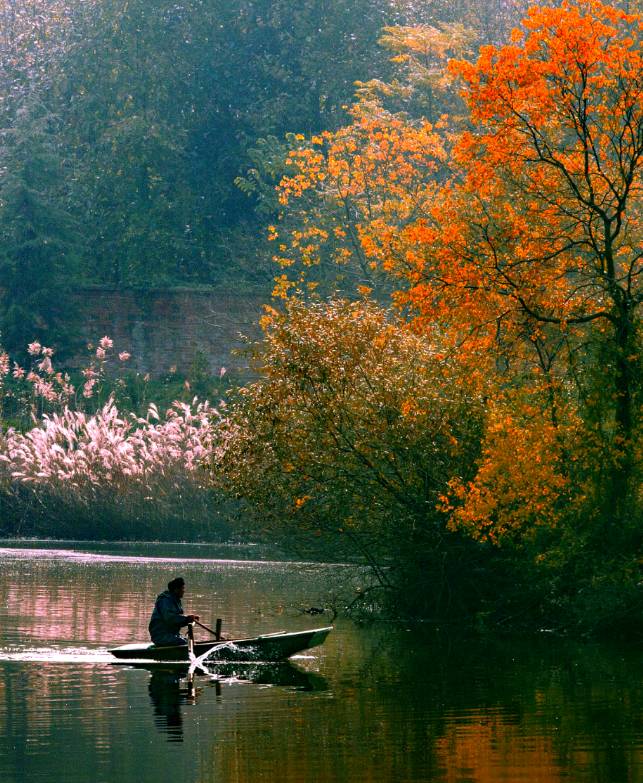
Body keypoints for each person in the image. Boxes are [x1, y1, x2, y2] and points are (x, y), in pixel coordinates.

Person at [149, 577, 200, 646]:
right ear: (176, 589)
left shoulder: (175, 600)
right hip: (161, 636)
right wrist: (187, 619)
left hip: (171, 634)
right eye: (182, 588)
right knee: (184, 643)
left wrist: (189, 619)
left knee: (187, 641)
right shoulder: (165, 600)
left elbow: (177, 619)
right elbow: (170, 618)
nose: (184, 591)